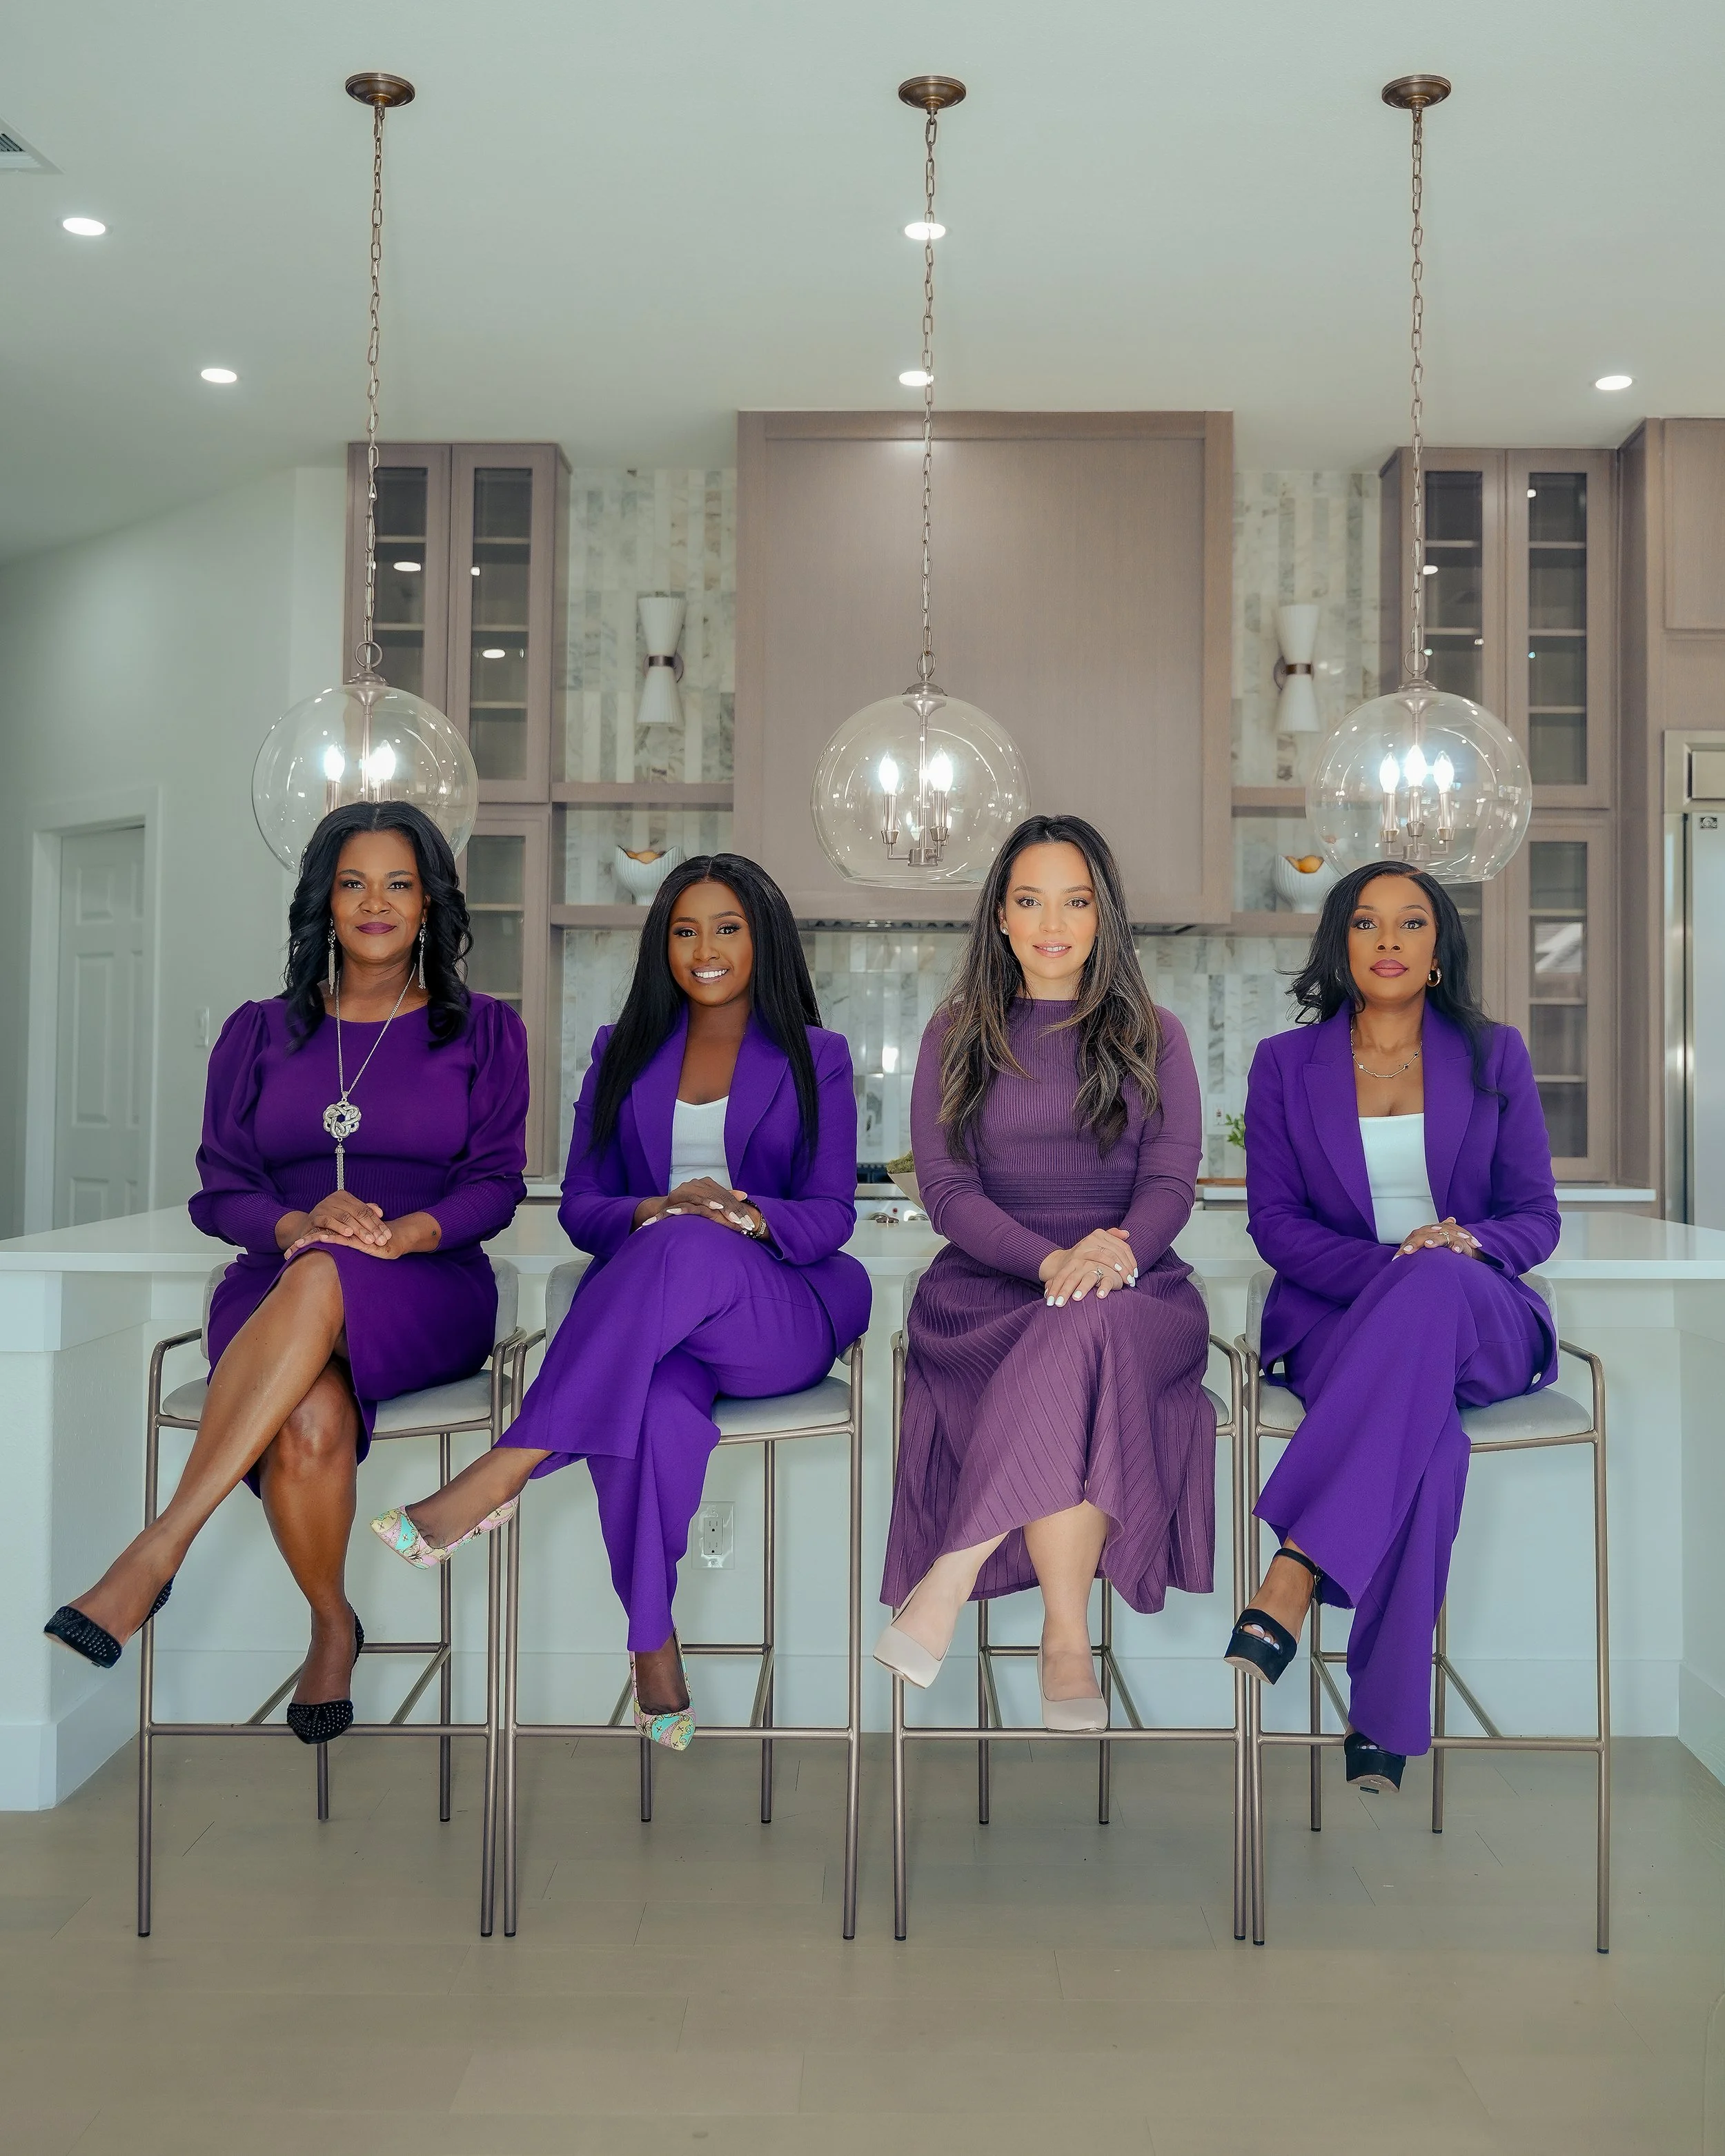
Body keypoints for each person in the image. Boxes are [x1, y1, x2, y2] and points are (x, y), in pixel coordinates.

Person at [45, 802, 530, 1744]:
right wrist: (300, 1224)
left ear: (429, 904)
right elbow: (220, 1192)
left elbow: (495, 1186)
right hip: (274, 1283)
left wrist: (398, 1235)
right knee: (308, 1414)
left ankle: (159, 1547)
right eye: (354, 884)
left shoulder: (483, 1032)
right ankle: (332, 1622)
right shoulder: (258, 1032)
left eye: (398, 884)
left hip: (427, 1286)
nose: (376, 903)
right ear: (325, 903)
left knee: (322, 1272)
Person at [372, 853, 870, 1751]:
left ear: (763, 939)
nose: (705, 949)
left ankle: (504, 1470)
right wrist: (656, 1207)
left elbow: (833, 1212)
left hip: (776, 1310)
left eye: (727, 928)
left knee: (688, 1241)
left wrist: (741, 1214)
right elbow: (582, 1206)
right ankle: (652, 1641)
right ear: (662, 945)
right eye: (685, 931)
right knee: (653, 1405)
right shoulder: (622, 1052)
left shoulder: (817, 1057)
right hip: (655, 1323)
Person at [876, 814, 1214, 1731]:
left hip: (1137, 1287)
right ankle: (1067, 1640)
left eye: (1076, 901)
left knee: (1089, 1318)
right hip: (986, 1292)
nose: (1053, 924)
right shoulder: (957, 1034)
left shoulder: (1156, 1034)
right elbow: (947, 1189)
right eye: (1030, 901)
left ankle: (951, 1576)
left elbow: (1170, 1181)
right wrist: (1052, 1259)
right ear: (1000, 916)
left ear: (1104, 916)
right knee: (1074, 1324)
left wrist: (1115, 1251)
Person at [1227, 862, 1559, 1793]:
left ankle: (1295, 1567)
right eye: (1366, 922)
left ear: (1439, 948)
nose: (1388, 940)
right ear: (1340, 943)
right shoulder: (1285, 1065)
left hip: (1480, 1318)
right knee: (1432, 1449)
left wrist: (1462, 1247)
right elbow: (1276, 1226)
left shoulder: (1494, 1055)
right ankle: (1383, 1720)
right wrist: (1401, 1270)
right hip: (1344, 1320)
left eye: (1411, 923)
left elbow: (1536, 1217)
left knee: (1438, 1281)